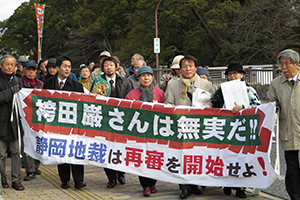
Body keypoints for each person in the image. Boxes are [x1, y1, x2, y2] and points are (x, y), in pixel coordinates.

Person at [165, 55, 215, 199]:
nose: (188, 69)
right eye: (184, 66)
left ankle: (195, 185)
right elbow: (168, 102)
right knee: (182, 157)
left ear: (195, 67)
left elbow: (213, 105)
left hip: (200, 127)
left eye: (190, 65)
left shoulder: (206, 85)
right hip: (181, 126)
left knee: (197, 156)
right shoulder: (173, 85)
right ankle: (184, 187)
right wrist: (171, 108)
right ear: (179, 69)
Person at [211, 63, 261, 198]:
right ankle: (227, 183)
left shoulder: (249, 90)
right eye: (230, 74)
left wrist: (243, 107)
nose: (233, 76)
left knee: (242, 157)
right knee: (226, 156)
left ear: (242, 75)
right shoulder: (220, 90)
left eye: (236, 73)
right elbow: (214, 107)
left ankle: (241, 188)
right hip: (225, 128)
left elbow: (258, 107)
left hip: (243, 129)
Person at [43, 55, 86, 190]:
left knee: (76, 150)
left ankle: (79, 180)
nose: (67, 69)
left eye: (69, 66)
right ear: (57, 68)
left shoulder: (76, 85)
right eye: (64, 66)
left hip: (73, 125)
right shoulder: (48, 84)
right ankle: (65, 180)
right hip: (56, 124)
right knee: (61, 151)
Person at [91, 56, 132, 188]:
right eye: (106, 65)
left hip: (121, 119)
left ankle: (121, 173)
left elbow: (130, 99)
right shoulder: (98, 81)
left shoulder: (124, 81)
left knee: (121, 148)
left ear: (116, 67)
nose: (109, 67)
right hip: (105, 120)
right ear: (103, 68)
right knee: (106, 148)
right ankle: (111, 178)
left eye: (111, 65)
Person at [125, 66, 164, 196]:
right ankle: (145, 185)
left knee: (155, 158)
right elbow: (126, 113)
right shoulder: (132, 94)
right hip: (139, 132)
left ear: (152, 77)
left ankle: (153, 183)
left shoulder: (159, 93)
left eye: (148, 75)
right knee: (141, 159)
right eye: (142, 76)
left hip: (156, 131)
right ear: (138, 78)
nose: (146, 78)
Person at [267, 49, 300, 200]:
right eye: (281, 64)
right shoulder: (276, 84)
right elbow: (269, 106)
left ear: (297, 64)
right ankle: (295, 196)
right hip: (288, 131)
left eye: (287, 63)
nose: (284, 67)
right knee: (292, 168)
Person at [0, 54, 24, 190]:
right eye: (6, 64)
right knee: (1, 154)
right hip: (1, 122)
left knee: (16, 152)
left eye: (12, 64)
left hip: (15, 122)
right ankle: (2, 177)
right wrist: (10, 92)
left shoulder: (17, 80)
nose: (9, 67)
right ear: (1, 65)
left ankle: (16, 179)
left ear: (15, 67)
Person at [20, 60, 43, 181]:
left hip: (38, 118)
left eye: (33, 70)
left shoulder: (41, 84)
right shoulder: (20, 83)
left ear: (36, 71)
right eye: (28, 69)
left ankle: (36, 166)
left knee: (38, 141)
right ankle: (30, 170)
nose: (31, 72)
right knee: (27, 142)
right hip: (24, 117)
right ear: (24, 71)